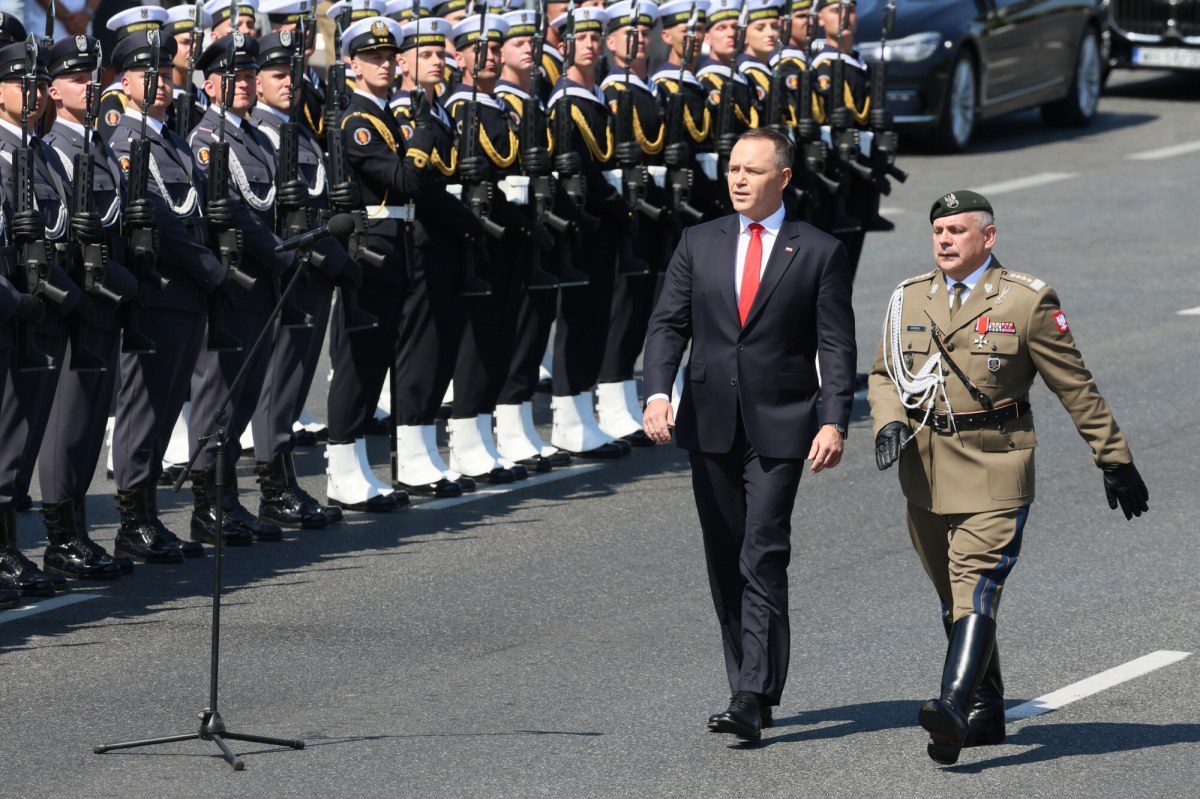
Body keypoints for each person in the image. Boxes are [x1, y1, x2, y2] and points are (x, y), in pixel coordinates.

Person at [868, 190, 1149, 765]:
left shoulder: (1026, 300)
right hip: (924, 469)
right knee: (952, 597)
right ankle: (989, 710)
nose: (944, 240)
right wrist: (889, 423)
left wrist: (1113, 458)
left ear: (987, 238)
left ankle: (951, 706)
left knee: (974, 585)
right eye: (938, 231)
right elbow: (882, 375)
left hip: (997, 464)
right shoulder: (909, 298)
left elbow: (1075, 386)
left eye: (957, 231)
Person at [641, 127, 856, 741]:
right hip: (708, 421)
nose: (738, 179)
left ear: (783, 178)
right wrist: (659, 393)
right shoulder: (697, 242)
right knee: (725, 556)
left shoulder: (816, 250)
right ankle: (749, 684)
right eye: (732, 168)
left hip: (782, 424)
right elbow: (667, 325)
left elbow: (836, 346)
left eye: (752, 171)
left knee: (763, 549)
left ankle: (750, 692)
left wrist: (834, 419)